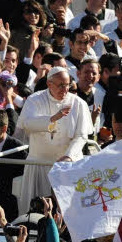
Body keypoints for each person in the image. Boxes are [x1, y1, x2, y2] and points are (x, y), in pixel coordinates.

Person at [14, 68, 91, 212]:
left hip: (67, 167)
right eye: (60, 85)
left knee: (68, 213)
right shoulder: (34, 99)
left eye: (67, 84)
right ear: (49, 84)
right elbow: (27, 123)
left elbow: (81, 135)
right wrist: (52, 119)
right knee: (34, 211)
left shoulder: (78, 104)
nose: (65, 89)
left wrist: (69, 156)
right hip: (39, 165)